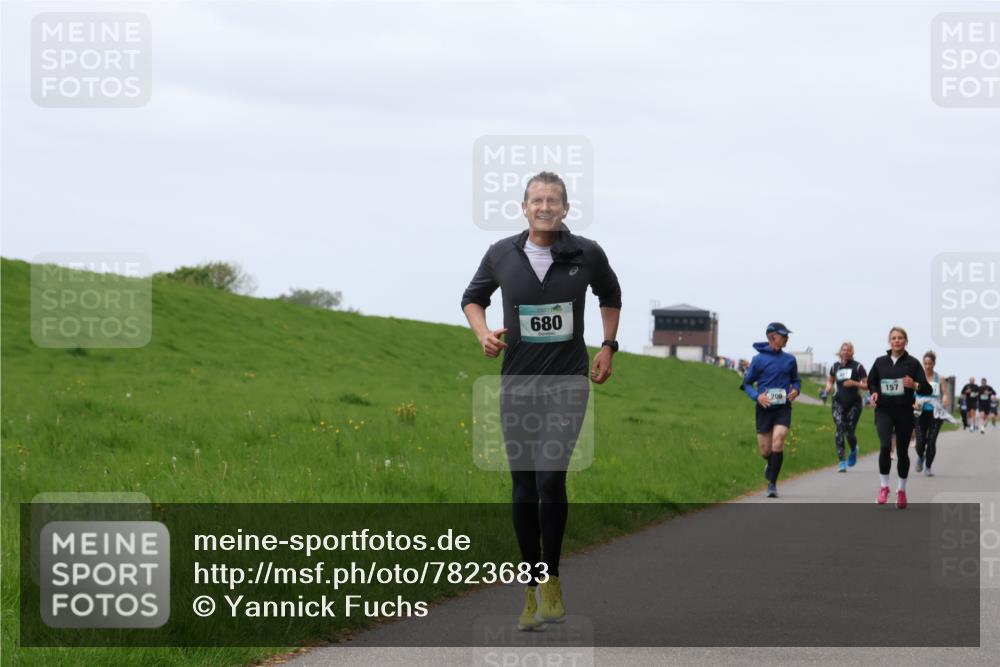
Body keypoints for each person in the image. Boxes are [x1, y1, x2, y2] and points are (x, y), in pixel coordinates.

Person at [461, 171, 621, 631]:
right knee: (524, 486)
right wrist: (483, 334)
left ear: (566, 209)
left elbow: (610, 294)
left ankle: (551, 576)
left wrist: (608, 345)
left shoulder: (586, 253)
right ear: (524, 207)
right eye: (537, 200)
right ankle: (530, 588)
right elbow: (472, 299)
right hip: (517, 385)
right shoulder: (501, 255)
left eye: (553, 200)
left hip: (567, 383)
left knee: (551, 480)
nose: (545, 206)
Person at [867, 327, 932, 509]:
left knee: (902, 451)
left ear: (906, 341)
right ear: (890, 341)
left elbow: (927, 388)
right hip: (884, 411)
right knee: (885, 445)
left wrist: (915, 384)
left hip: (904, 411)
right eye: (894, 338)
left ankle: (901, 491)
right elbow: (872, 381)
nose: (897, 341)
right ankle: (884, 487)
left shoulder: (913, 363)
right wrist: (873, 393)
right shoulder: (880, 362)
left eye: (901, 338)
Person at [741, 322, 801, 498]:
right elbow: (746, 383)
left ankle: (772, 484)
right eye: (784, 336)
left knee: (778, 441)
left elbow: (796, 380)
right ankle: (771, 464)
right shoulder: (758, 360)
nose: (787, 338)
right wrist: (757, 397)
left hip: (783, 408)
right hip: (764, 409)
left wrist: (796, 390)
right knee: (765, 450)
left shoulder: (790, 360)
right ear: (772, 337)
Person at [824, 342, 868, 472]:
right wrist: (829, 386)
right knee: (839, 429)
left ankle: (854, 449)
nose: (846, 352)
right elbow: (830, 380)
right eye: (844, 350)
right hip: (838, 402)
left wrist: (854, 383)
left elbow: (867, 385)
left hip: (854, 403)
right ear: (840, 352)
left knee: (849, 432)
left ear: (852, 353)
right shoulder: (835, 367)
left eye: (849, 350)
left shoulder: (858, 367)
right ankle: (842, 461)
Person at [913, 351, 951, 477]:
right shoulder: (917, 377)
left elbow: (945, 393)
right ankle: (920, 456)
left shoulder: (939, 378)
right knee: (920, 442)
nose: (927, 366)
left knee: (931, 441)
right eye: (925, 363)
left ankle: (928, 467)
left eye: (930, 363)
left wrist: (945, 397)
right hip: (920, 412)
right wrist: (914, 403)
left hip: (935, 413)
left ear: (934, 363)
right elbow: (911, 393)